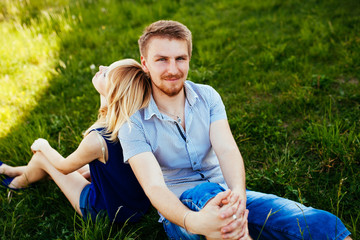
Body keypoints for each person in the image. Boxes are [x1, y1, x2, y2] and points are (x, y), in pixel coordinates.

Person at [117, 20, 352, 240]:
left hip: (228, 193)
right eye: (162, 60)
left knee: (318, 222)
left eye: (180, 58)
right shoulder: (133, 121)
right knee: (212, 204)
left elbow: (227, 149)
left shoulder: (207, 96)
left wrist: (238, 195)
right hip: (182, 211)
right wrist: (192, 221)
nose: (173, 69)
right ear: (145, 63)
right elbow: (154, 186)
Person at [0, 59, 151, 223]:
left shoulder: (98, 139)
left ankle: (15, 184)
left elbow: (63, 167)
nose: (101, 67)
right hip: (135, 206)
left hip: (104, 211)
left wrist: (43, 145)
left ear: (113, 92)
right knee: (81, 170)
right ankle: (13, 170)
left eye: (106, 73)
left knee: (42, 157)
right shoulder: (135, 126)